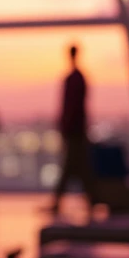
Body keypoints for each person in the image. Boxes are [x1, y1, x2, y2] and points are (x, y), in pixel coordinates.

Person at [51, 44, 94, 215]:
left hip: (74, 129)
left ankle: (59, 201)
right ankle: (91, 199)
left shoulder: (73, 78)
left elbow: (71, 106)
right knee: (79, 167)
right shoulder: (78, 78)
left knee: (72, 166)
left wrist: (66, 125)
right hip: (76, 128)